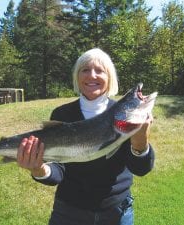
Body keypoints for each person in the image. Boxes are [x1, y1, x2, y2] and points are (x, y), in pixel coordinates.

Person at [17, 48, 155, 225]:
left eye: (100, 70)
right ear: (77, 77)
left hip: (117, 213)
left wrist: (140, 143)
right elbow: (58, 170)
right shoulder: (62, 114)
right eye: (85, 70)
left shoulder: (124, 118)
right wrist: (39, 169)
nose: (92, 75)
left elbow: (141, 169)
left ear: (110, 77)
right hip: (68, 213)